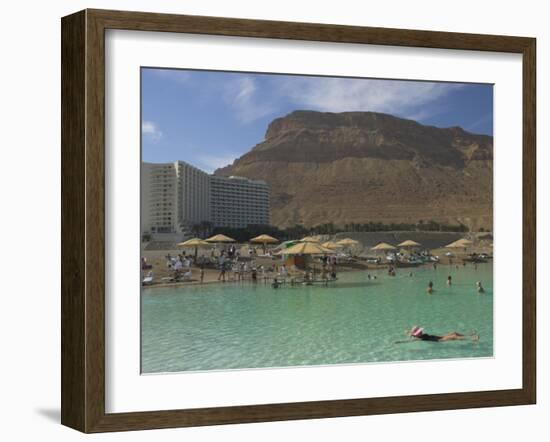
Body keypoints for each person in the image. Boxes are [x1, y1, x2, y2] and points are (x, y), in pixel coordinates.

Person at [405, 326, 479, 342]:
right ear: (416, 334)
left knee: (454, 332)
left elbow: (411, 334)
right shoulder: (419, 338)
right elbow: (411, 340)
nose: (421, 332)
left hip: (439, 336)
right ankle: (472, 339)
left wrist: (409, 332)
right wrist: (399, 342)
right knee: (454, 337)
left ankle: (468, 335)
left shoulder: (419, 335)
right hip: (439, 340)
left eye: (420, 331)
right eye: (419, 332)